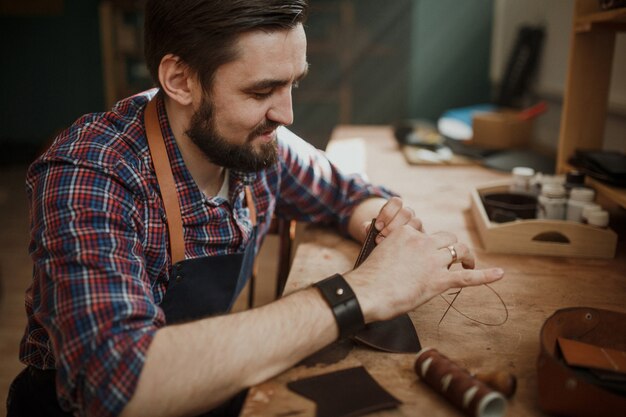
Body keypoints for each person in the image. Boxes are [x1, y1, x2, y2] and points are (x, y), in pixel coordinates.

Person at [6, 1, 504, 416]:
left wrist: (384, 227)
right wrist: (358, 293)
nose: (286, 115)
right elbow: (116, 382)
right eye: (261, 90)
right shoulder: (91, 174)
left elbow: (348, 193)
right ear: (180, 79)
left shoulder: (256, 143)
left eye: (293, 84)